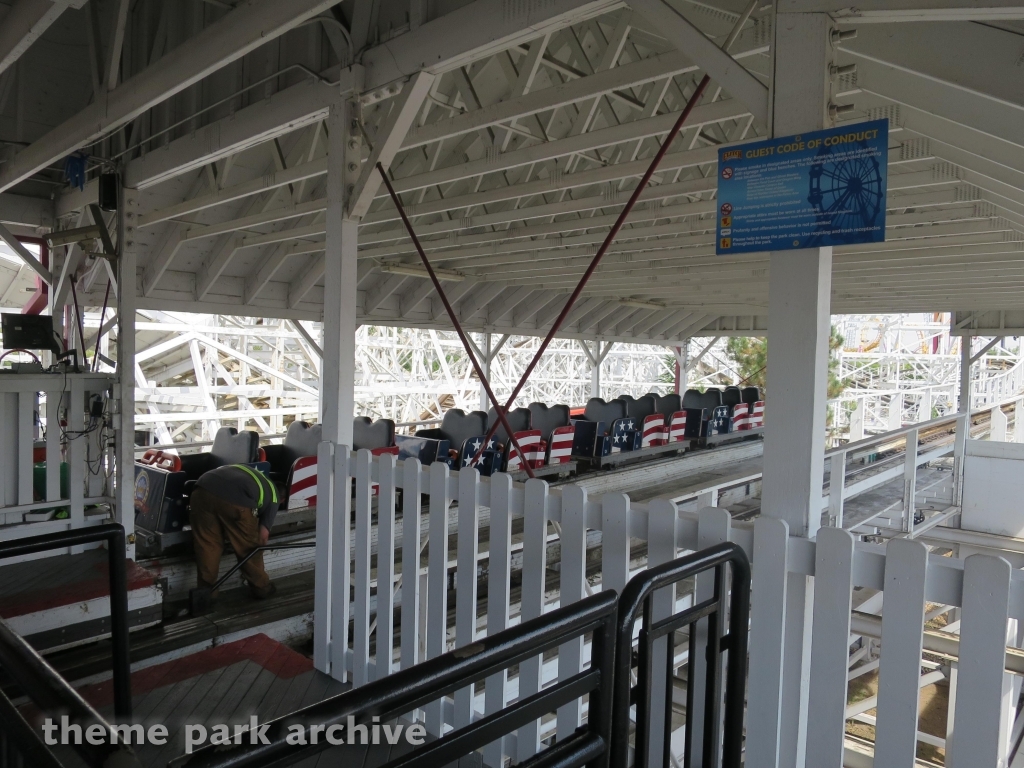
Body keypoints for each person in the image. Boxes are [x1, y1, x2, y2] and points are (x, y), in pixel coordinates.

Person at [189, 464, 279, 600]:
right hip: (236, 500)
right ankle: (261, 588)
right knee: (249, 548)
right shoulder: (274, 495)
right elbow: (262, 537)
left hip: (201, 490)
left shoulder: (249, 473)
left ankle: (206, 595)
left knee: (207, 546)